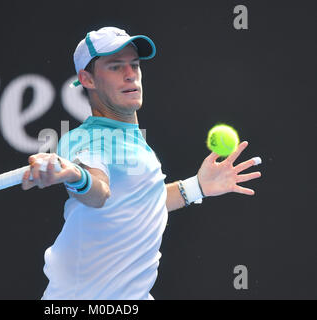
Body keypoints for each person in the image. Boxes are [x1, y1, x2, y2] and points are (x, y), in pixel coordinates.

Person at [21, 27, 262, 300]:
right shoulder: (88, 140)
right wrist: (78, 176)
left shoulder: (132, 142)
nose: (130, 74)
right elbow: (98, 192)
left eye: (134, 64)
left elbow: (139, 202)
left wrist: (197, 187)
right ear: (86, 78)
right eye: (115, 67)